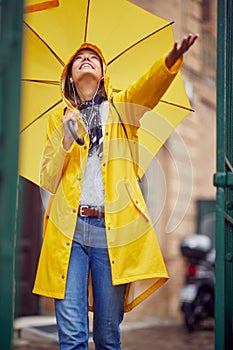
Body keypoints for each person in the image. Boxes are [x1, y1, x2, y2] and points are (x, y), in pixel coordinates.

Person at [33, 34, 198, 349]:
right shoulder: (59, 118)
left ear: (103, 72)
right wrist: (66, 141)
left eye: (93, 57)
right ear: (68, 75)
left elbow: (147, 90)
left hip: (112, 232)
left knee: (108, 335)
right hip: (69, 233)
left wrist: (169, 63)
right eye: (79, 58)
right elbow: (48, 179)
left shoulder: (122, 109)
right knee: (71, 336)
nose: (86, 59)